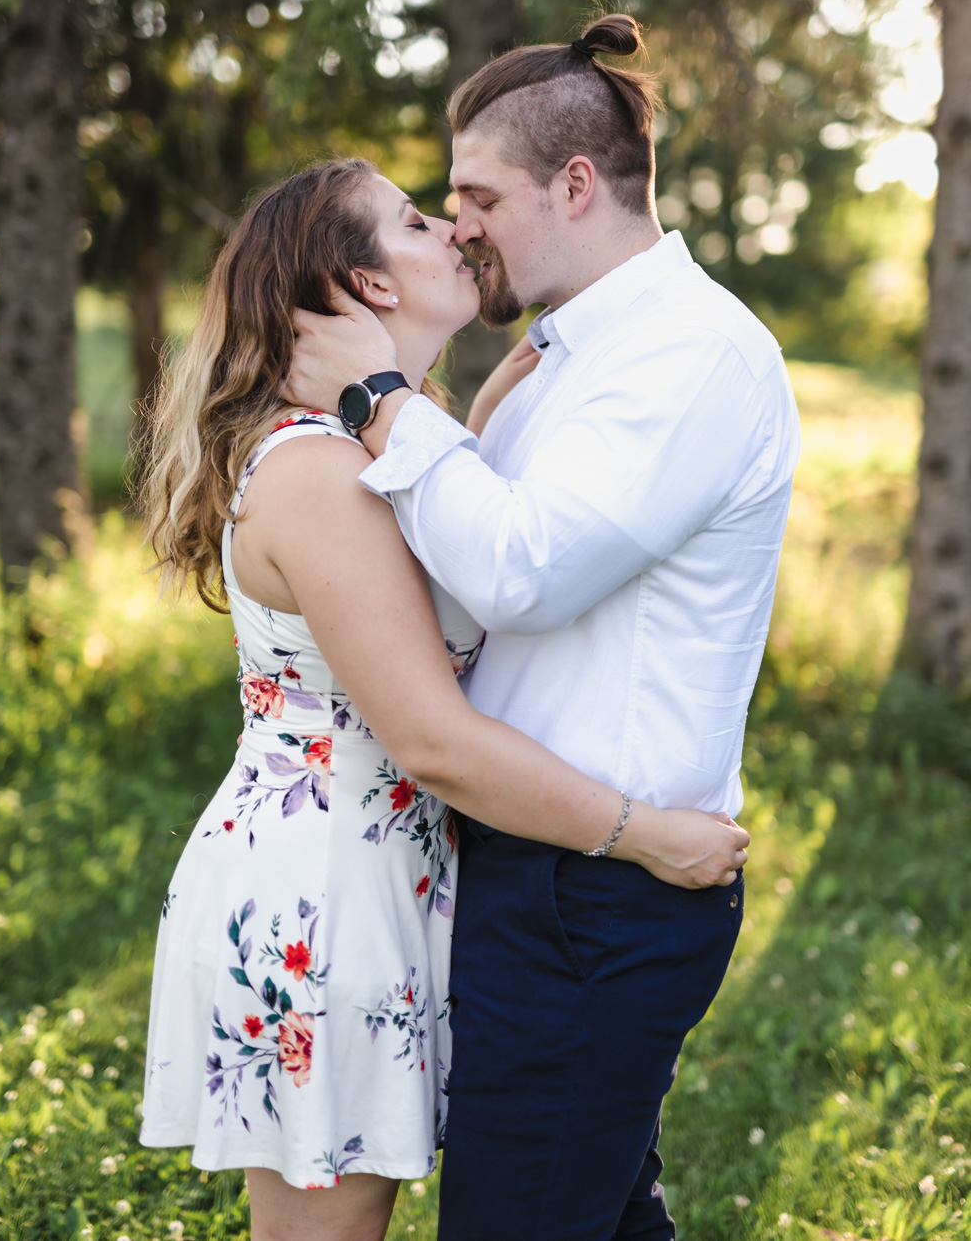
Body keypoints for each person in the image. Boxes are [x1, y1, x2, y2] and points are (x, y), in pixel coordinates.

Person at [136, 155, 749, 1241]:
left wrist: (470, 409)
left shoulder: (378, 442)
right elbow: (430, 737)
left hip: (384, 880)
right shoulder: (319, 473)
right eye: (417, 222)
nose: (454, 232)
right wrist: (645, 835)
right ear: (370, 285)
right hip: (320, 899)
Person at [282, 13, 801, 1241]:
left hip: (601, 901)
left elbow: (518, 570)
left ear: (575, 184)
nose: (456, 223)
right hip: (539, 874)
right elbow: (464, 590)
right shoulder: (562, 360)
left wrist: (376, 399)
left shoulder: (693, 357)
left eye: (475, 195)